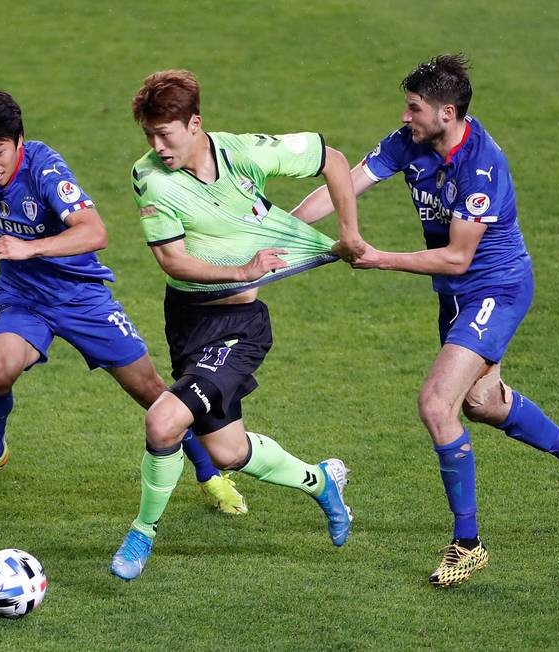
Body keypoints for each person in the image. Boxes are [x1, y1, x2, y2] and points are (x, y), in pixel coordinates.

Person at [293, 53, 559, 587]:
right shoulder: (409, 141)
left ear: (446, 112)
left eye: (414, 108)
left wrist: (377, 258)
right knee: (482, 402)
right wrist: (280, 230)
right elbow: (342, 186)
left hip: (495, 290)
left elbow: (458, 258)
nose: (405, 117)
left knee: (436, 404)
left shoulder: (481, 166)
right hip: (456, 297)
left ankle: (468, 543)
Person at [0, 89, 246, 515]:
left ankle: (210, 474)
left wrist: (29, 248)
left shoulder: (45, 169)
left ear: (19, 140)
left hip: (82, 298)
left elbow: (95, 232)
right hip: (22, 296)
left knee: (152, 392)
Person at [110, 69, 363, 581]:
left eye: (165, 134)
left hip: (240, 327)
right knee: (228, 451)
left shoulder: (244, 153)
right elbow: (173, 262)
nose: (157, 147)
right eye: (149, 135)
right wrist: (243, 269)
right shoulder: (149, 177)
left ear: (195, 123)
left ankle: (142, 533)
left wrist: (349, 234)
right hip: (187, 320)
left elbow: (333, 160)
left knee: (163, 421)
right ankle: (321, 482)